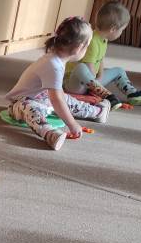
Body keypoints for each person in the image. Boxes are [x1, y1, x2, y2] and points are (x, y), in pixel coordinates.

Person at [6, 16, 111, 151]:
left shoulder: (57, 59)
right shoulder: (53, 65)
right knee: (29, 108)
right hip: (19, 103)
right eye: (87, 46)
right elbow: (56, 100)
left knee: (66, 99)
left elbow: (57, 95)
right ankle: (51, 134)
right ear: (79, 48)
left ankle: (96, 112)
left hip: (43, 98)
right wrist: (72, 124)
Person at [64, 1, 141, 107]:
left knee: (119, 70)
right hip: (75, 84)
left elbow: (100, 60)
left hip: (91, 83)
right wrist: (95, 83)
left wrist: (100, 77)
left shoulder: (103, 39)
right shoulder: (92, 41)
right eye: (122, 30)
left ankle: (132, 93)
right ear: (113, 29)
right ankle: (107, 95)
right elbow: (89, 66)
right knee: (81, 67)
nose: (121, 33)